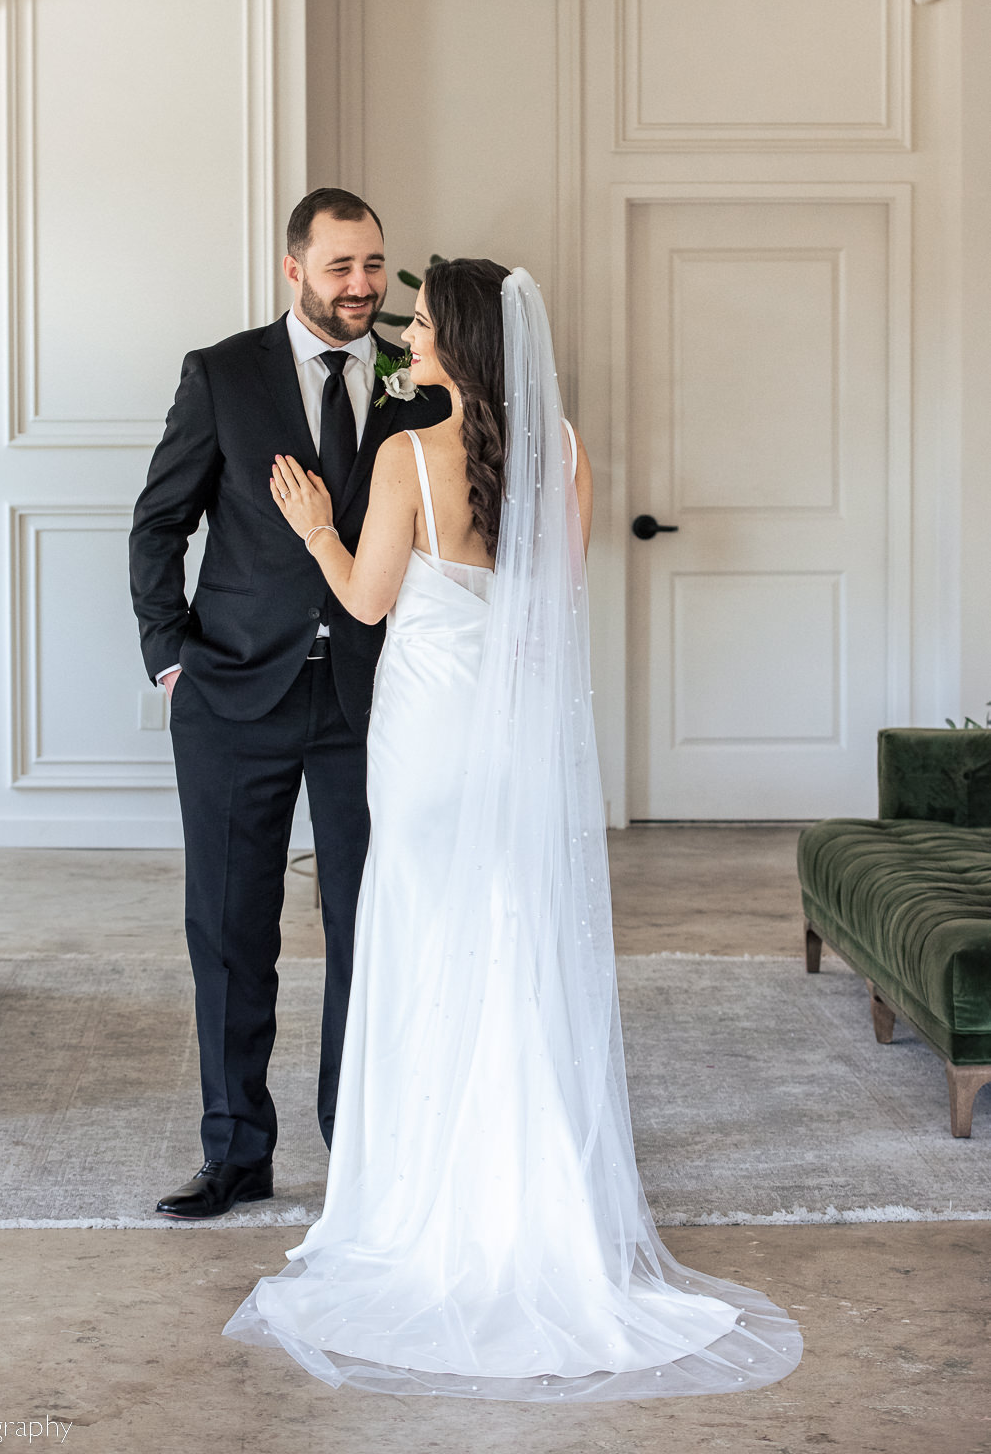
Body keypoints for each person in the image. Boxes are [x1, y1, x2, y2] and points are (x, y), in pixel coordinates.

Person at [223, 259, 803, 1400]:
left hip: (428, 738)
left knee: (419, 941)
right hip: (513, 735)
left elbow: (364, 602)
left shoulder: (402, 457)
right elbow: (550, 604)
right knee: (511, 944)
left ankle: (418, 1201)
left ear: (469, 343)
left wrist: (310, 526)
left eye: (425, 324)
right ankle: (532, 1196)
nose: (406, 338)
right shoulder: (566, 452)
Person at [129, 188, 449, 1221]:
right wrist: (170, 658)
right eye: (340, 267)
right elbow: (157, 524)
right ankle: (235, 1152)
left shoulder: (415, 374)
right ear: (293, 269)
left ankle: (354, 1145)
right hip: (231, 692)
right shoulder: (221, 373)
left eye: (373, 265)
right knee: (228, 928)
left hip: (373, 695)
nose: (362, 288)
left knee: (368, 923)